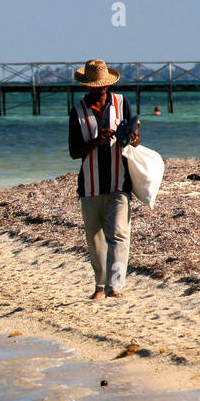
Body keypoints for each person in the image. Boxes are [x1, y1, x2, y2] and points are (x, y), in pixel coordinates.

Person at [67, 59, 141, 299]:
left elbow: (135, 136)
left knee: (119, 233)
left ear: (108, 84)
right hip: (90, 183)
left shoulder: (121, 103)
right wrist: (97, 142)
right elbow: (74, 152)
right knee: (95, 237)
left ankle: (115, 285)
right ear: (87, 86)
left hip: (120, 180)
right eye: (95, 86)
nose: (100, 89)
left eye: (103, 85)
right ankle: (100, 285)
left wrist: (132, 137)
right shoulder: (78, 111)